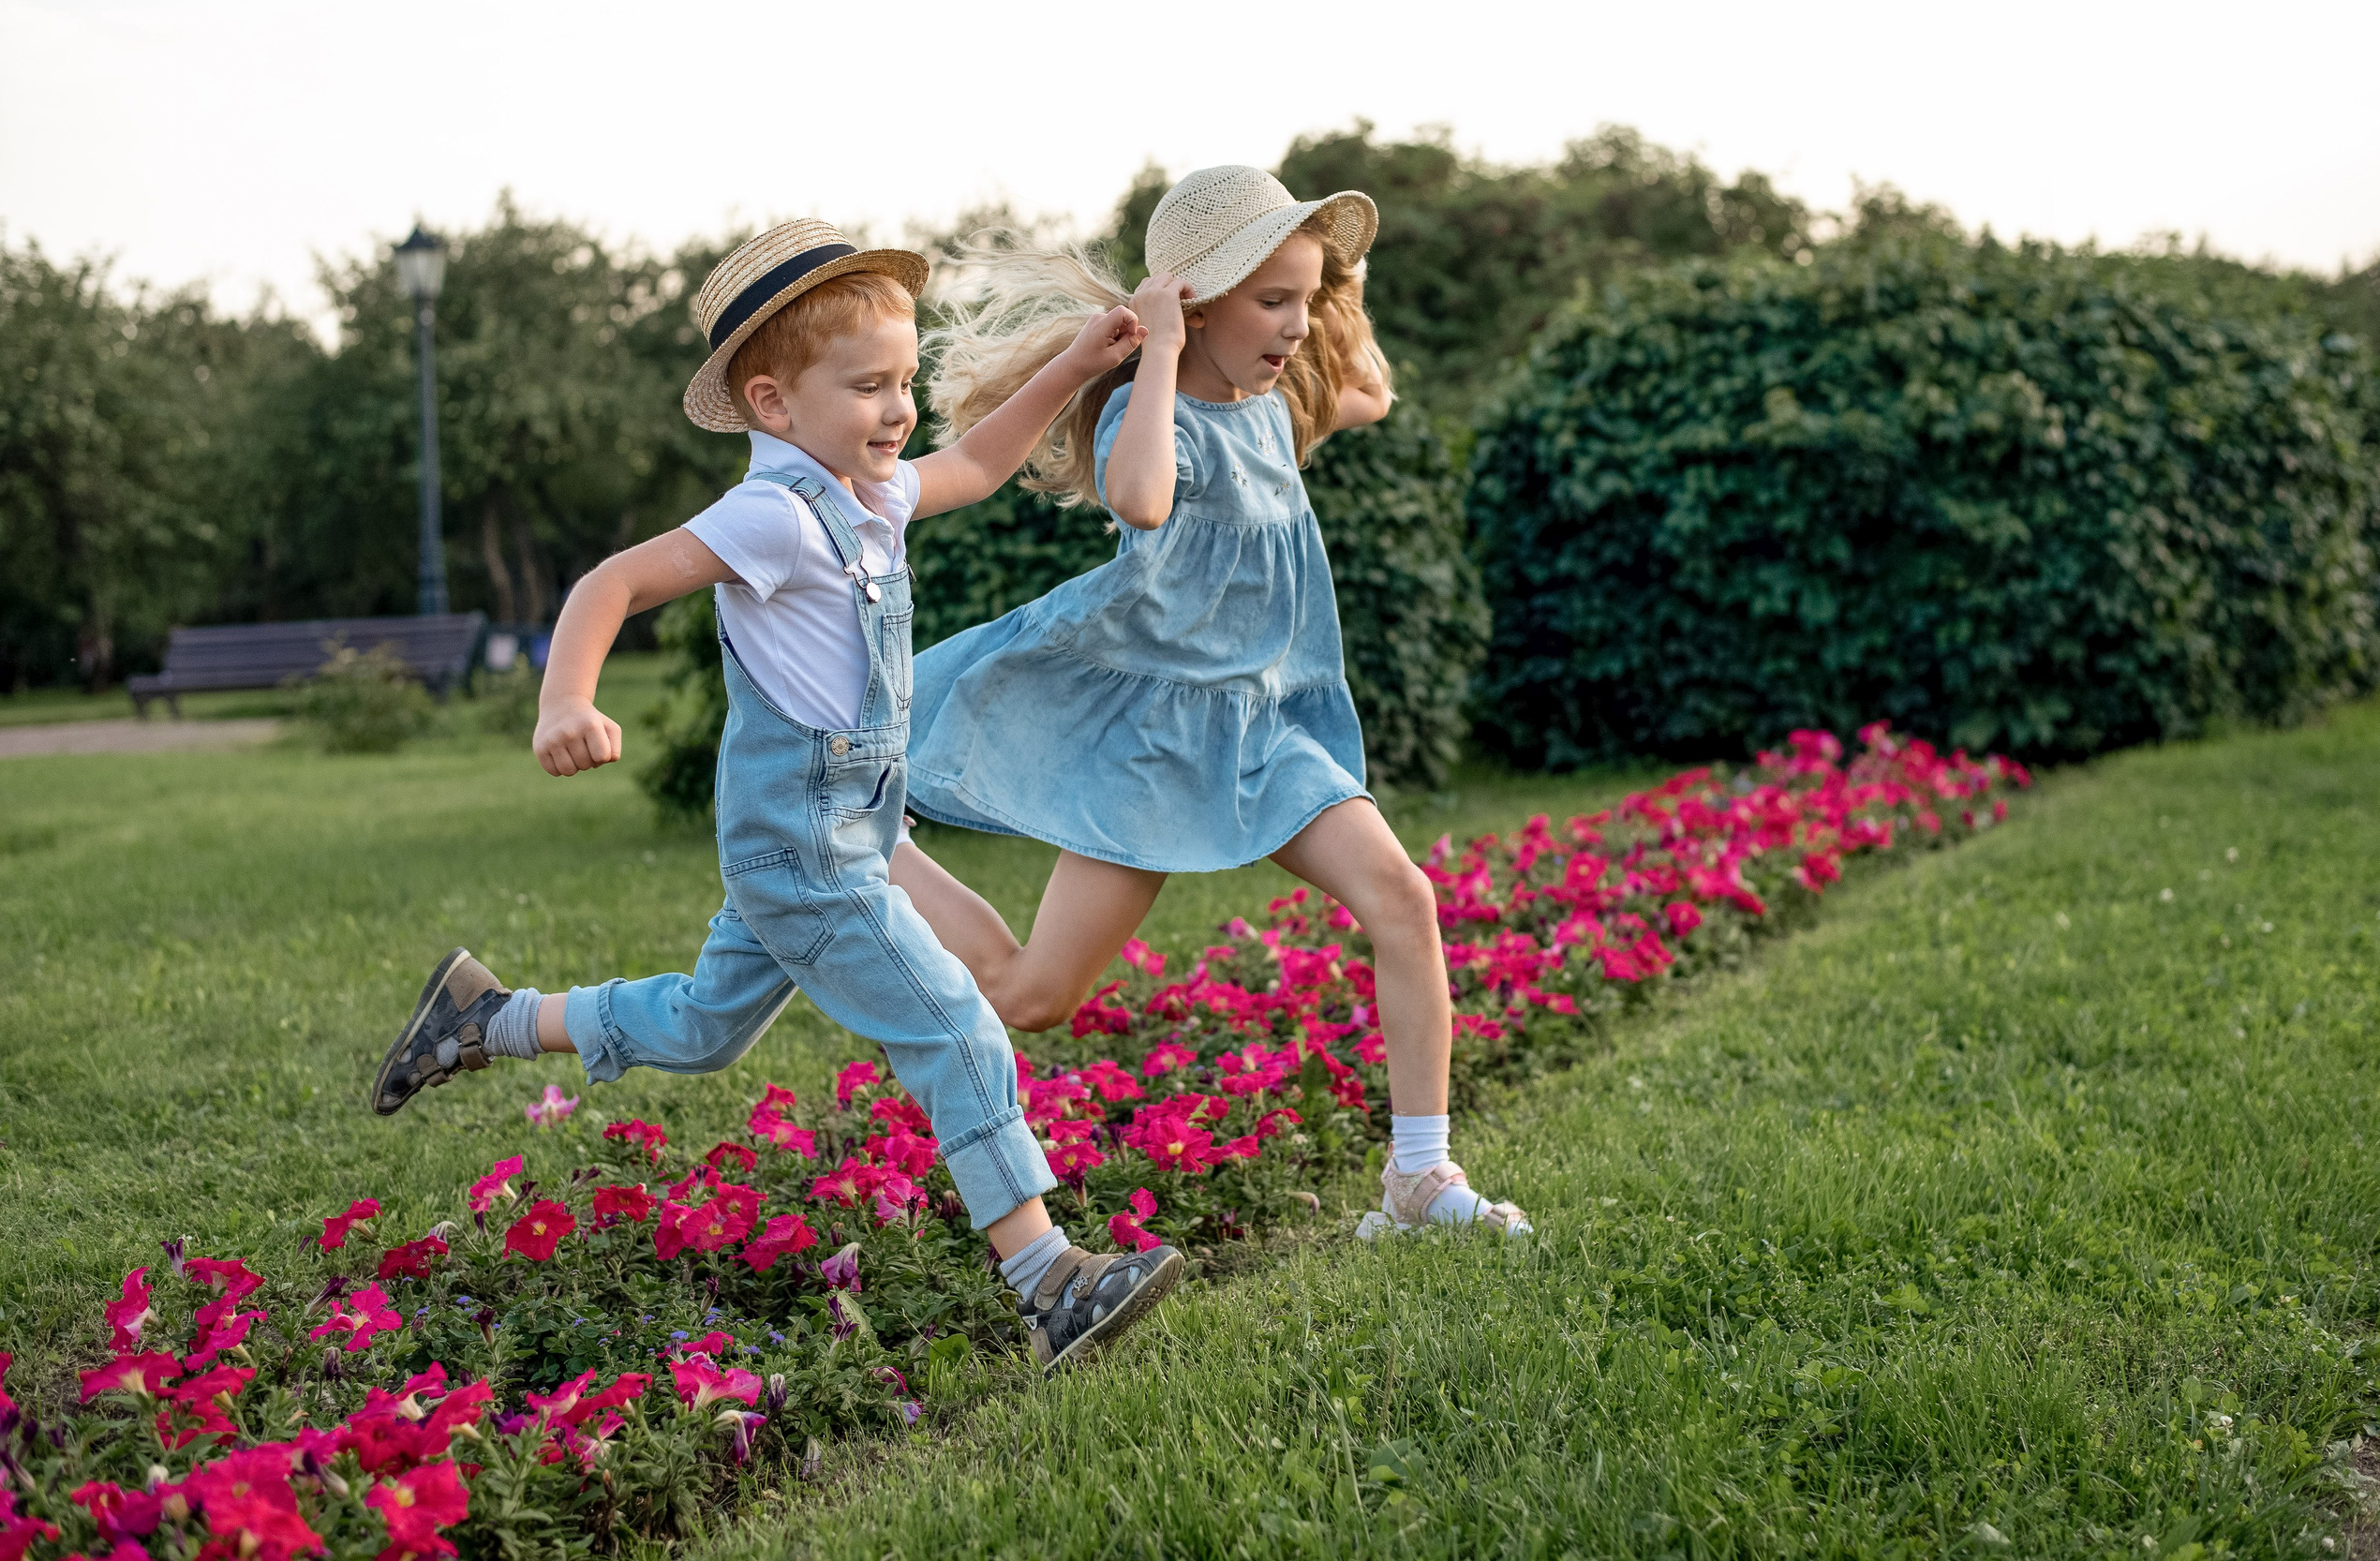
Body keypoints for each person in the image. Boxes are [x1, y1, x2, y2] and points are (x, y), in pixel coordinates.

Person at [368, 220, 1183, 1371]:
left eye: (903, 382)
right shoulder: (774, 515)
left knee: (701, 1029)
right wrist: (564, 700)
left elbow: (984, 459)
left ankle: (483, 1018)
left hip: (821, 836)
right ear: (774, 402)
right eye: (867, 387)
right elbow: (615, 580)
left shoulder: (873, 495)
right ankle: (1049, 1280)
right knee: (955, 1022)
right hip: (810, 848)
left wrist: (1080, 363)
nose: (898, 411)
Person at [894, 167, 1529, 1238]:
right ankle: (875, 850)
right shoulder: (1159, 421)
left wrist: (1346, 290)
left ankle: (1419, 1178)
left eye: (1305, 297)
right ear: (1198, 304)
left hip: (1268, 729)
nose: (1294, 325)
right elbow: (1139, 499)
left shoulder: (1278, 410)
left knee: (1403, 900)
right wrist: (1160, 353)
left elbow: (1369, 388)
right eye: (1271, 300)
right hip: (1150, 743)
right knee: (1033, 995)